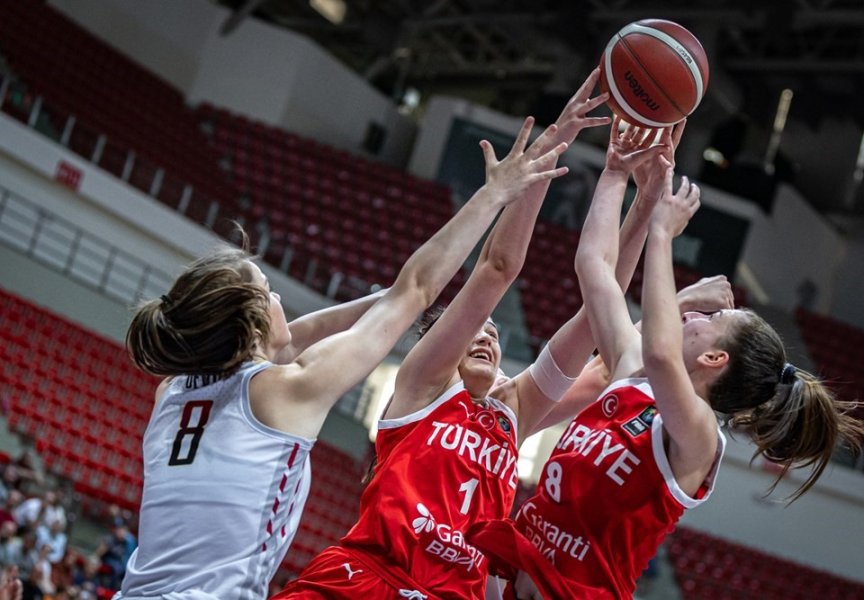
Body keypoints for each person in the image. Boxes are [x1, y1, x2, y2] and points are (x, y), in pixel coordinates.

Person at [113, 112, 570, 600]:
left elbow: (293, 339)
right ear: (251, 325)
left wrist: (389, 299)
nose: (281, 298)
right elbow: (414, 288)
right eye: (270, 291)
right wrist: (493, 196)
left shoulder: (174, 390)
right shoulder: (290, 390)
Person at [272, 68, 653, 600]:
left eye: (496, 334)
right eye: (479, 326)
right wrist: (553, 147)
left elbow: (598, 310)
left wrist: (641, 201)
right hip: (368, 581)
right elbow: (496, 269)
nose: (486, 335)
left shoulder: (513, 411)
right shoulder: (425, 385)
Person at [468, 117, 864, 599]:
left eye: (712, 318)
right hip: (505, 581)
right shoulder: (630, 375)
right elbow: (594, 268)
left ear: (715, 357)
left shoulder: (699, 437)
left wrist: (662, 234)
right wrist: (615, 172)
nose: (694, 316)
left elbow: (662, 356)